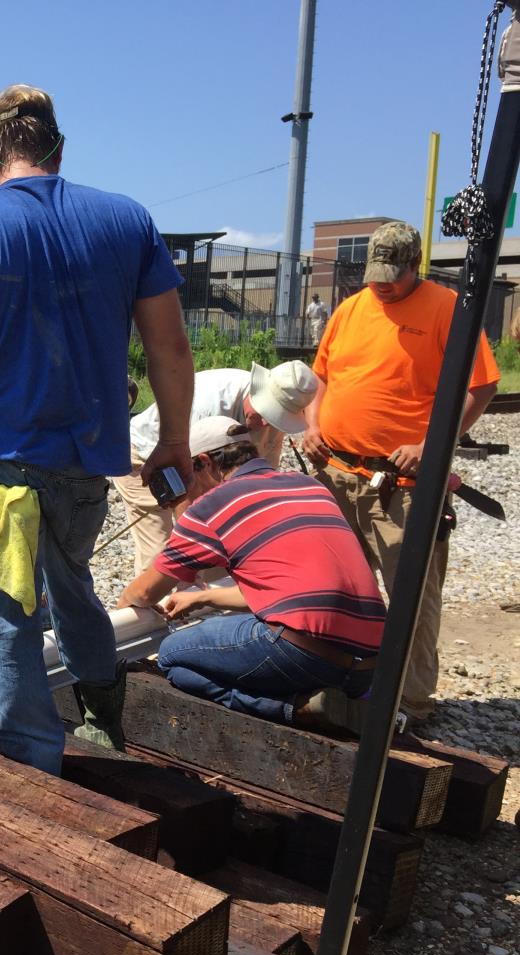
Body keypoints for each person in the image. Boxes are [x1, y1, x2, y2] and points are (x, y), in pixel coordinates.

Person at [0, 83, 194, 771]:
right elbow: (170, 349)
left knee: (3, 616)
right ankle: (102, 711)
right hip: (88, 466)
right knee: (71, 583)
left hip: (1, 476)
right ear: (58, 150)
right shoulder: (128, 223)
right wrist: (174, 441)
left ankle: (31, 766)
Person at [301, 221, 499, 726]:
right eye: (375, 273)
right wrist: (312, 424)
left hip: (400, 485)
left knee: (410, 594)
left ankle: (411, 703)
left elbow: (481, 386)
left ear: (416, 265)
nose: (382, 283)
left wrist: (434, 446)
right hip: (338, 473)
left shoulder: (446, 309)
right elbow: (322, 375)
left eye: (392, 274)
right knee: (337, 585)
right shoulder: (350, 308)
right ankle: (343, 685)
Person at [118, 417, 385, 725]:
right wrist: (203, 600)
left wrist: (116, 628)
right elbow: (291, 593)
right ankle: (326, 698)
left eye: (187, 474)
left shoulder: (212, 505)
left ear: (205, 461)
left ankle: (291, 707)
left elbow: (143, 592)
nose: (186, 487)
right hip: (370, 665)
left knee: (172, 656)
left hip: (304, 656)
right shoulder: (309, 485)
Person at [112, 361, 319, 574]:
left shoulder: (269, 422)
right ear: (257, 389)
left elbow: (260, 476)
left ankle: (200, 598)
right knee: (161, 558)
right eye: (266, 412)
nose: (265, 423)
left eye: (275, 417)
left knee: (222, 553)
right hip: (146, 456)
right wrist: (189, 557)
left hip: (194, 464)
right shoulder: (208, 405)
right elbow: (189, 488)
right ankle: (152, 601)